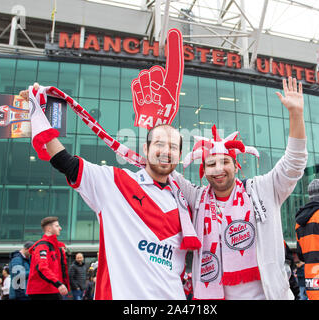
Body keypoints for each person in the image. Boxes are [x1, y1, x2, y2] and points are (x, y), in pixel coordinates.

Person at [19, 84, 200, 299]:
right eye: (159, 144)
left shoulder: (185, 201)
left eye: (173, 147)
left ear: (179, 154)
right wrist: (37, 111)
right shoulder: (115, 182)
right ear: (145, 149)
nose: (166, 151)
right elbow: (64, 162)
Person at [171, 77, 307, 299]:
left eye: (225, 162)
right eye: (211, 164)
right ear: (203, 171)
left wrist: (296, 114)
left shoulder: (263, 189)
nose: (218, 169)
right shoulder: (196, 197)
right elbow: (167, 171)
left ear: (236, 165)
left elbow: (294, 162)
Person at [26, 216, 70, 300]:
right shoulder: (42, 246)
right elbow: (42, 268)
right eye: (57, 226)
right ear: (49, 229)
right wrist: (58, 284)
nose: (60, 228)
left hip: (50, 290)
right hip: (43, 291)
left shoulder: (53, 246)